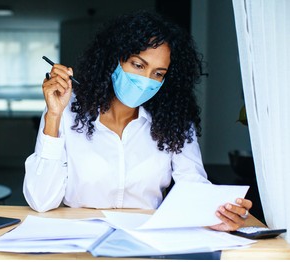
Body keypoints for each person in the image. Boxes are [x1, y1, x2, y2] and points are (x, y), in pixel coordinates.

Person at [23, 10, 252, 231]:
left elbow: (192, 184)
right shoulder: (67, 110)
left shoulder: (175, 121)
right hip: (80, 241)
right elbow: (41, 201)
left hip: (147, 240)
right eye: (138, 65)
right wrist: (53, 116)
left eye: (158, 73)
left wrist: (219, 212)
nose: (146, 80)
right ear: (114, 59)